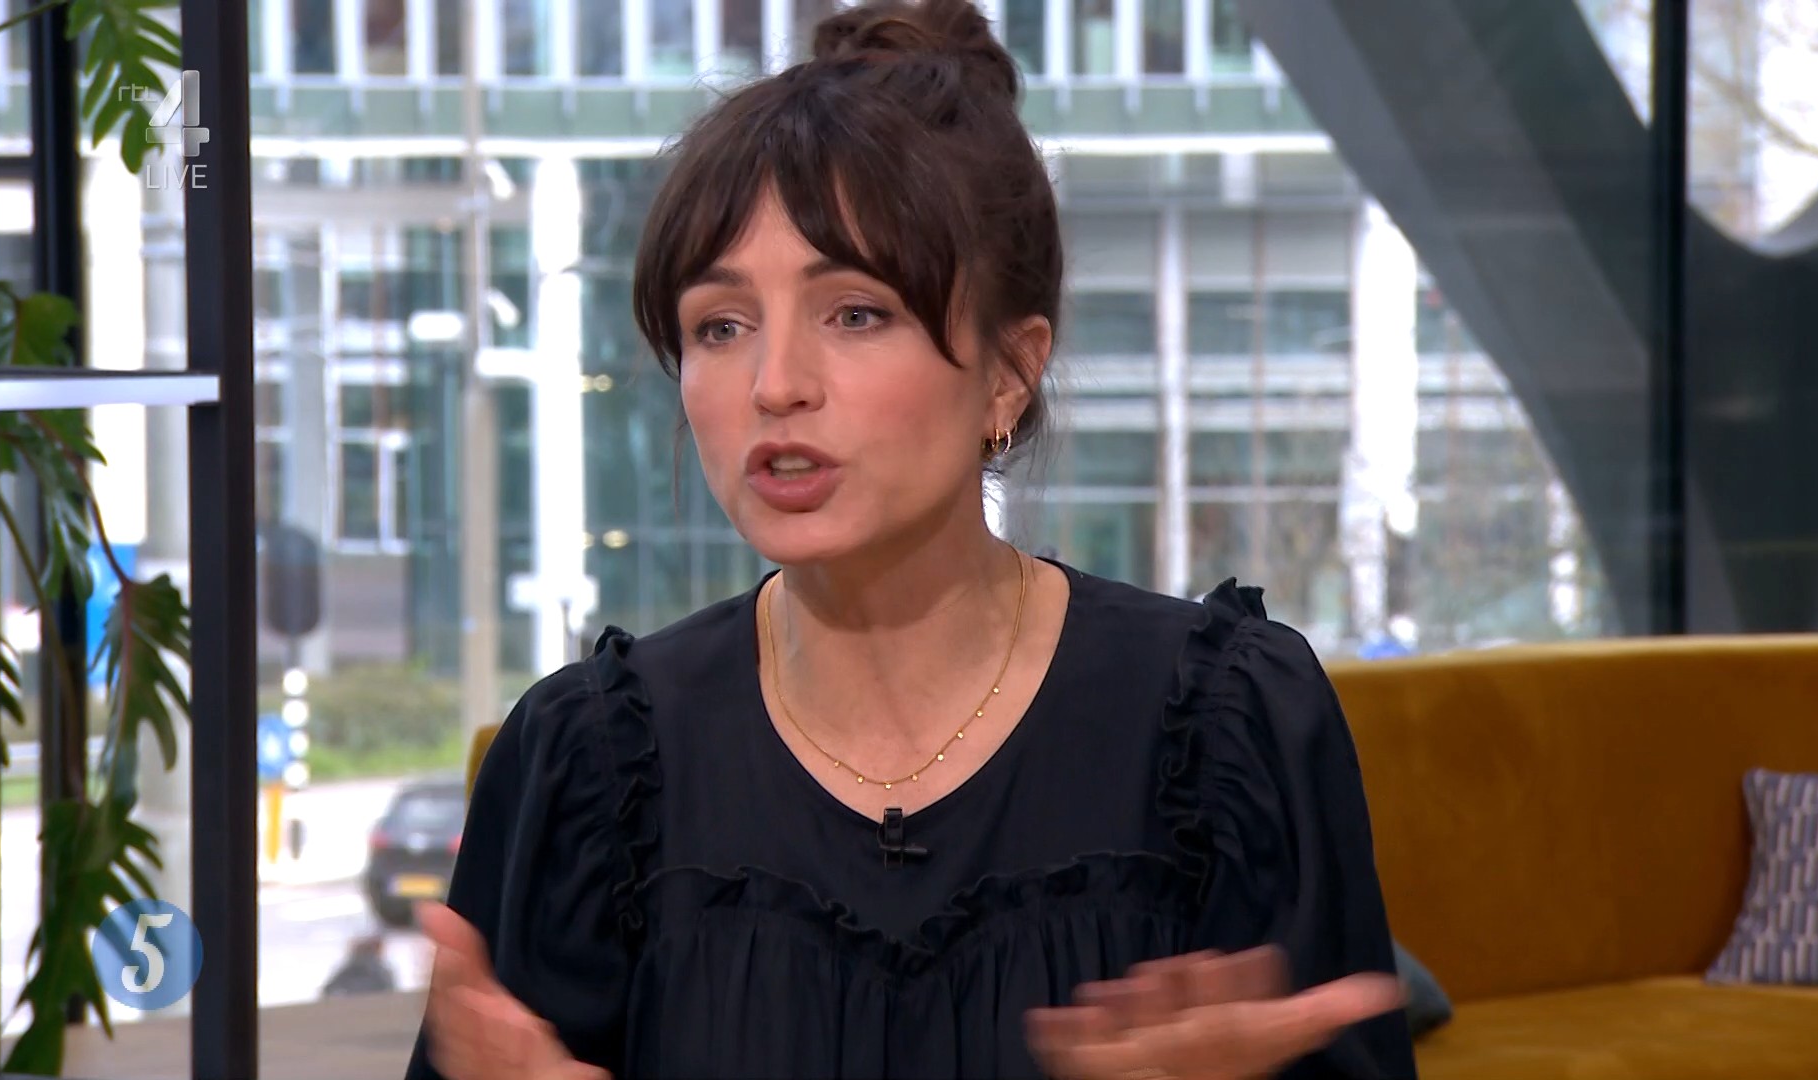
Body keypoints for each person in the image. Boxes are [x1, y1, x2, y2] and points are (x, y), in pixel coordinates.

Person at [405, 0, 1415, 1075]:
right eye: (721, 325)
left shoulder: (1225, 731)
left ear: (1010, 373)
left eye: (855, 313)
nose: (776, 384)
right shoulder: (591, 768)